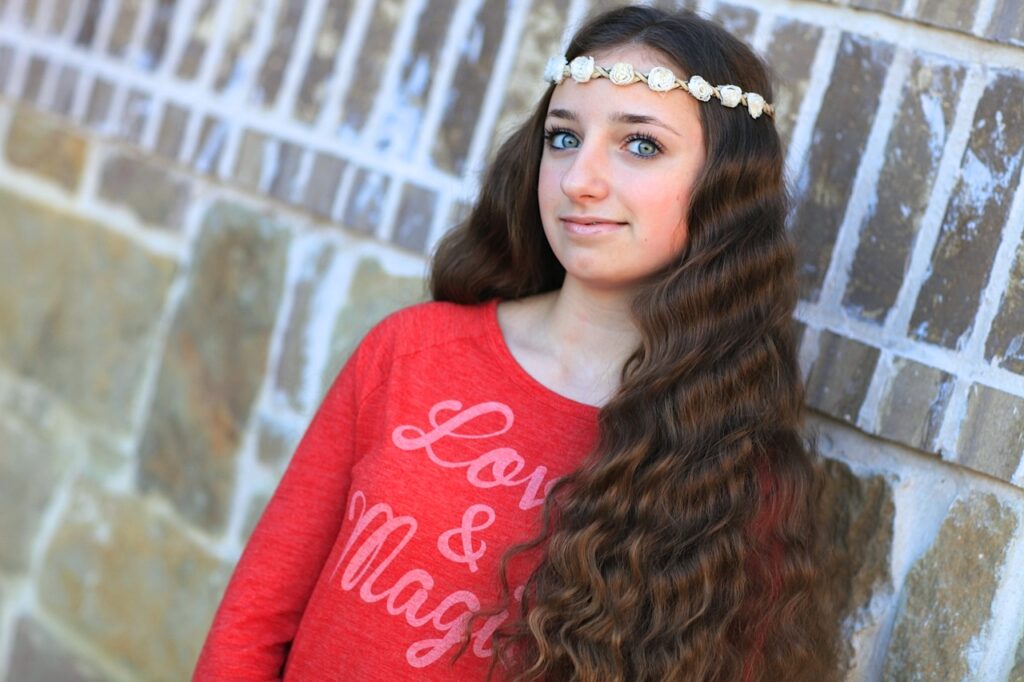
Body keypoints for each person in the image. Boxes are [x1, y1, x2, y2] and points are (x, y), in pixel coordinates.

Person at [193, 4, 838, 681]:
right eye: (563, 138)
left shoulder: (728, 466)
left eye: (640, 145)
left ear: (722, 187)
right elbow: (254, 615)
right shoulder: (414, 351)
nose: (579, 180)